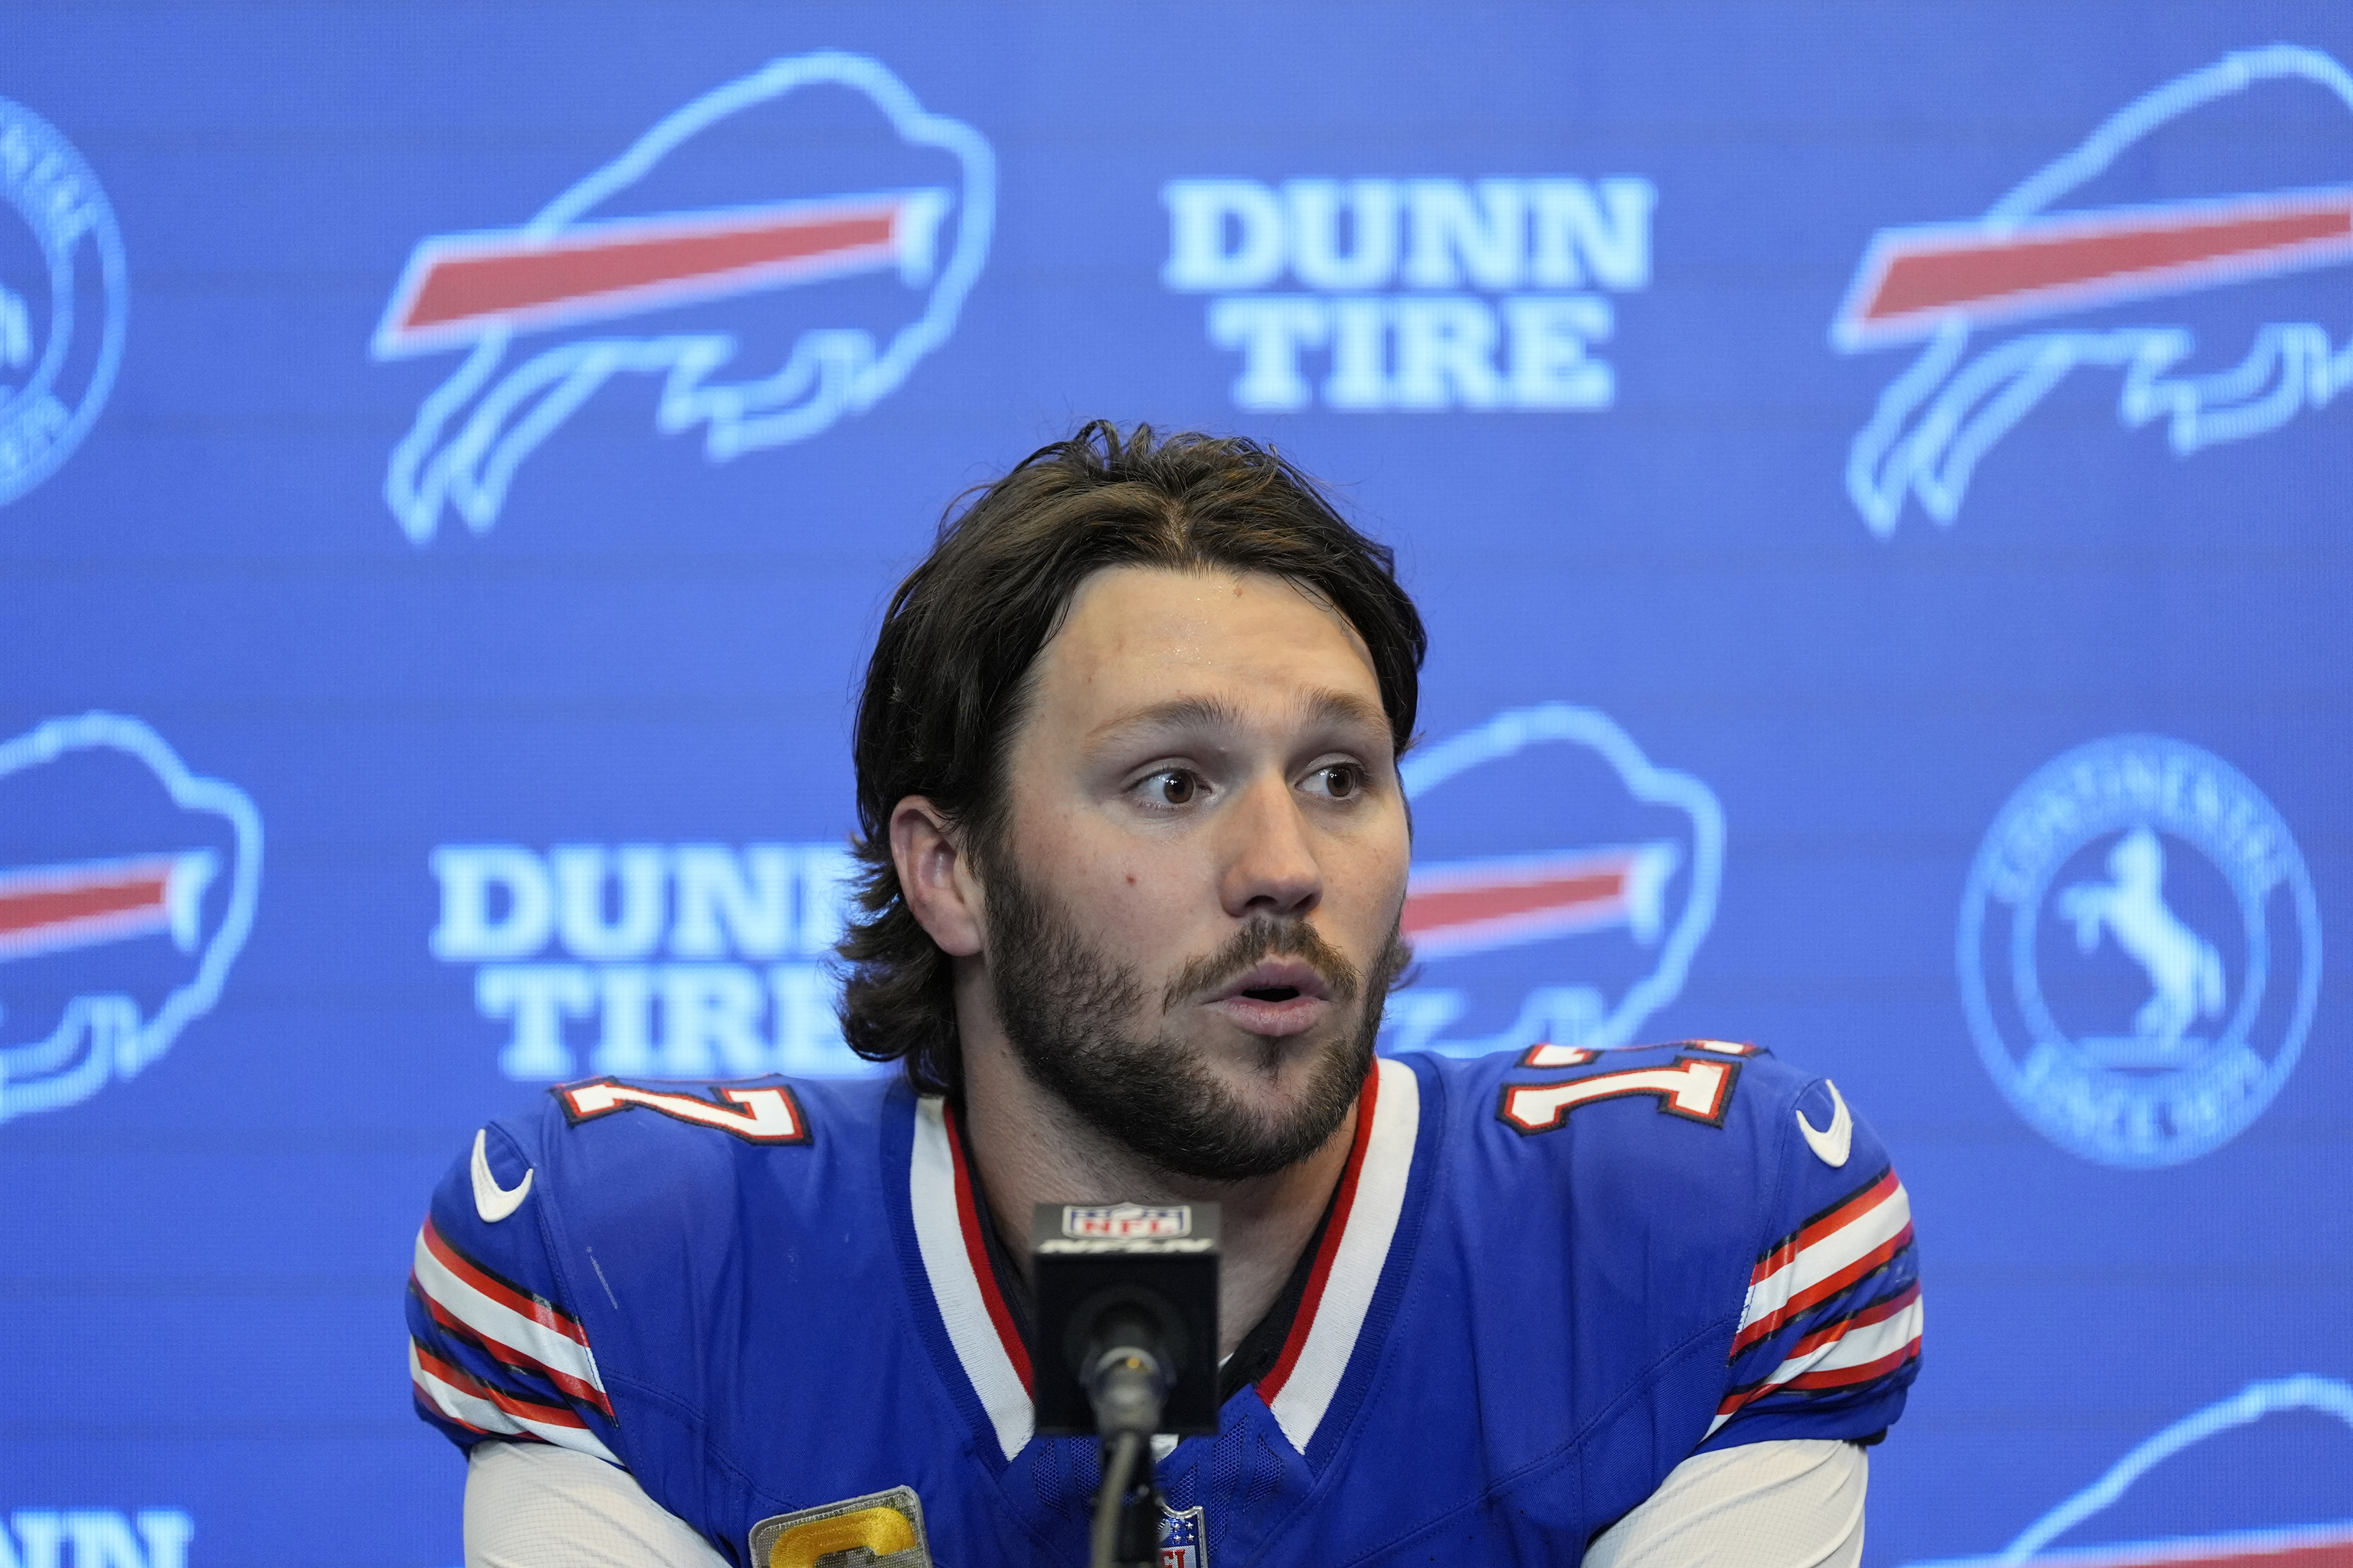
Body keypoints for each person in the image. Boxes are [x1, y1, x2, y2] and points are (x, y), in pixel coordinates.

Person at [408, 422, 1922, 1568]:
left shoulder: (1683, 1245)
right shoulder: (637, 1279)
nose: (1283, 864)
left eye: (1340, 774)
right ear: (952, 873)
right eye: (1173, 781)